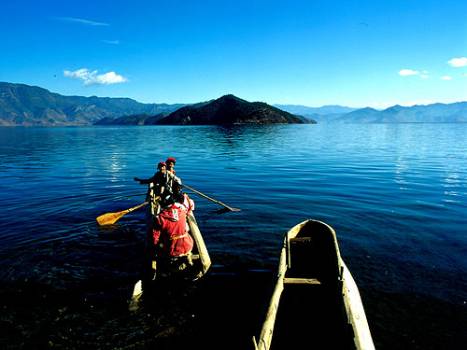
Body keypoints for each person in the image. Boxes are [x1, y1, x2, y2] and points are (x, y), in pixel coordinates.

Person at [151, 193, 195, 273]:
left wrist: (156, 247)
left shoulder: (159, 218)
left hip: (172, 250)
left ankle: (171, 267)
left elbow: (155, 238)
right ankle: (188, 257)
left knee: (161, 247)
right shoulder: (182, 211)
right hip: (188, 244)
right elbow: (189, 207)